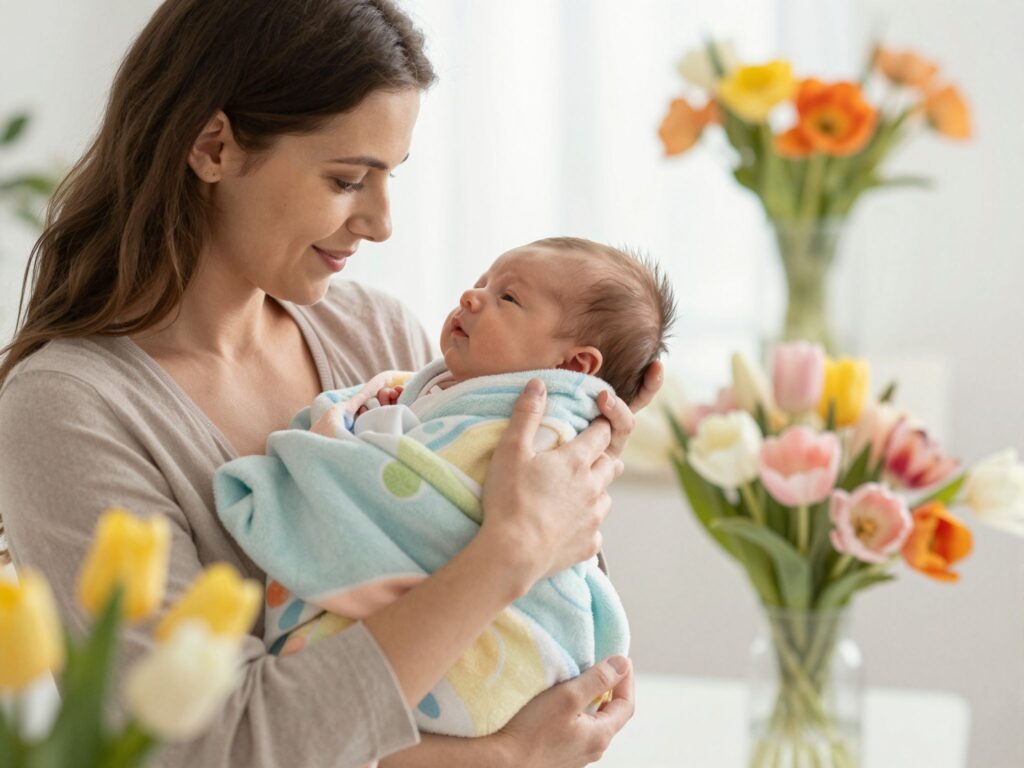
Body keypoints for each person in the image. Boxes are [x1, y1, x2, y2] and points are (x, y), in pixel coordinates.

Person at [0, 2, 661, 767]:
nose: (381, 222)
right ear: (212, 146)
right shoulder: (69, 412)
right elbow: (209, 745)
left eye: (390, 177)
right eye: (349, 178)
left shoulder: (377, 337)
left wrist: (579, 422)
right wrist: (502, 750)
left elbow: (544, 629)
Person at [214, 237, 676, 741]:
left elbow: (542, 526)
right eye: (481, 282)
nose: (472, 297)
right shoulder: (446, 382)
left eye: (508, 298)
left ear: (574, 368)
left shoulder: (539, 425)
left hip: (491, 642)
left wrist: (596, 441)